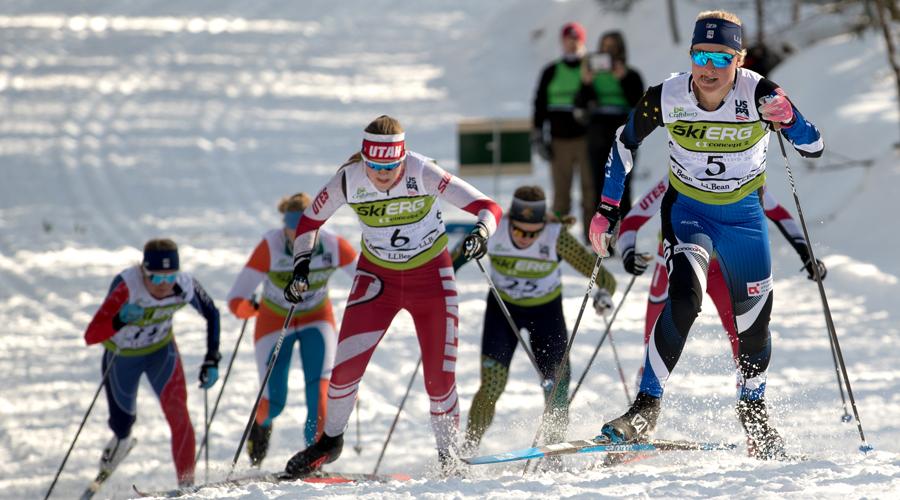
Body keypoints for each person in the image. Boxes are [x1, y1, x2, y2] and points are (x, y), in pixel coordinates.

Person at [588, 10, 823, 460]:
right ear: (690, 56)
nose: (709, 69)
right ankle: (645, 408)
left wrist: (789, 119)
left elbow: (813, 146)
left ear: (740, 59)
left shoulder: (761, 94)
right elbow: (623, 142)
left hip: (744, 218)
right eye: (701, 55)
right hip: (689, 212)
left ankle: (754, 412)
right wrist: (607, 209)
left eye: (721, 57)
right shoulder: (668, 96)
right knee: (684, 299)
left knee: (754, 324)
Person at [279, 115, 503, 477]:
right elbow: (309, 221)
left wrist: (481, 232)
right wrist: (301, 265)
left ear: (403, 157)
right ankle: (329, 442)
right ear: (363, 159)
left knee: (439, 378)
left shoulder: (423, 172)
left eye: (391, 166)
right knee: (345, 368)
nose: (383, 175)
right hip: (377, 279)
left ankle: (449, 457)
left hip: (431, 278)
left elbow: (489, 207)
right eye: (375, 166)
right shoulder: (349, 180)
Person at [619, 176, 827, 404]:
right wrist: (628, 251)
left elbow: (779, 214)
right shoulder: (678, 175)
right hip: (676, 267)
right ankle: (641, 414)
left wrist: (805, 253)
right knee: (654, 341)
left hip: (721, 272)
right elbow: (632, 220)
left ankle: (752, 422)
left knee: (742, 338)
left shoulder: (741, 176)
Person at [450, 185, 617, 457]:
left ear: (543, 225)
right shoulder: (494, 231)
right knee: (491, 385)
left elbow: (605, 278)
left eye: (532, 232)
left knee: (557, 386)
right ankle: (468, 450)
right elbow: (450, 263)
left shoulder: (555, 237)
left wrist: (602, 295)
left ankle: (553, 450)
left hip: (546, 314)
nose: (524, 236)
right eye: (517, 230)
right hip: (503, 313)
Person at [226, 193, 357, 467]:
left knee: (320, 394)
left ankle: (313, 458)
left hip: (317, 320)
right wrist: (248, 308)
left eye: (308, 231)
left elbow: (368, 279)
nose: (300, 238)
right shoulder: (270, 247)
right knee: (275, 401)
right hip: (275, 322)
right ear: (284, 227)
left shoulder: (334, 246)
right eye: (294, 231)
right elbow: (236, 299)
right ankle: (260, 427)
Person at [83, 238, 220, 486]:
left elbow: (212, 312)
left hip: (161, 353)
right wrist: (120, 319)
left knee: (180, 417)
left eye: (170, 277)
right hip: (122, 357)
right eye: (156, 278)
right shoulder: (127, 285)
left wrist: (212, 358)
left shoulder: (184, 284)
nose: (163, 285)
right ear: (143, 272)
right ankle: (120, 442)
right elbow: (91, 335)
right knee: (123, 423)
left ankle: (186, 486)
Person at [532, 21, 593, 241]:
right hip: (559, 141)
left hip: (586, 140)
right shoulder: (551, 71)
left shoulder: (591, 67)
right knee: (561, 195)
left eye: (576, 39)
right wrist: (538, 134)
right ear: (562, 41)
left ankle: (592, 238)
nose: (572, 44)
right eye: (568, 39)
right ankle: (558, 240)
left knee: (590, 192)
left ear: (582, 41)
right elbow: (540, 104)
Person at [575, 31, 645, 219]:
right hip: (597, 131)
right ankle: (600, 237)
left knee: (623, 184)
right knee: (598, 184)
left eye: (613, 47)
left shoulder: (632, 75)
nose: (609, 51)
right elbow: (580, 106)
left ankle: (625, 234)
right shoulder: (593, 75)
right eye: (605, 47)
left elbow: (640, 105)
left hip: (624, 131)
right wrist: (586, 83)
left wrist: (623, 79)